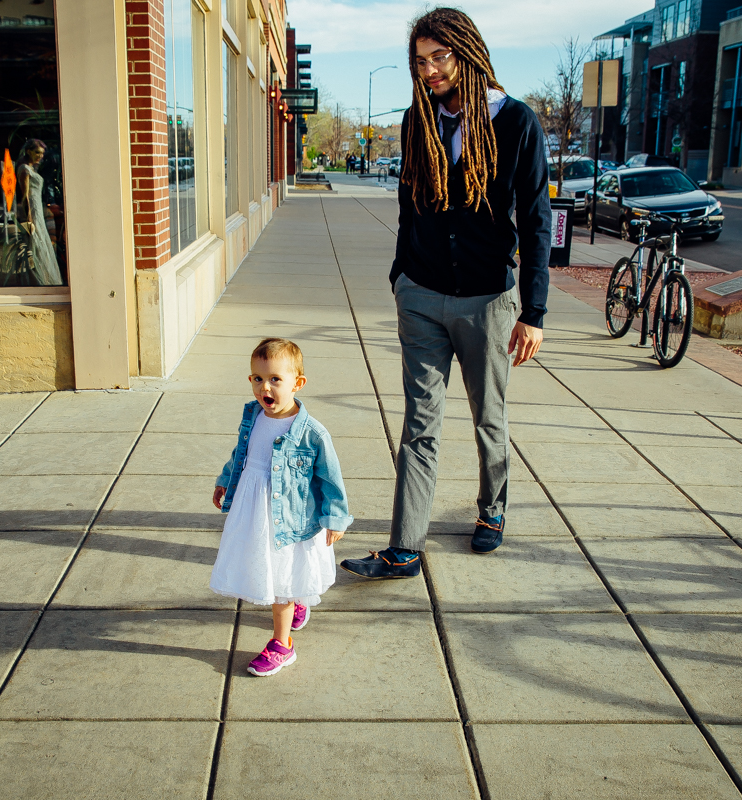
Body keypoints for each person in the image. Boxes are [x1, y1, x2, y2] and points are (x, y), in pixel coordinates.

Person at [341, 7, 549, 579]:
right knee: (419, 423)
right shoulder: (418, 120)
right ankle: (405, 545)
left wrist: (533, 311)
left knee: (489, 418)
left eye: (439, 57)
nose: (429, 70)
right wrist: (401, 275)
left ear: (467, 52)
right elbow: (410, 203)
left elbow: (535, 220)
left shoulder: (516, 123)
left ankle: (492, 512)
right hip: (423, 294)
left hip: (488, 301)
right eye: (420, 61)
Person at [210, 338, 353, 677]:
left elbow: (331, 478)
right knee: (276, 573)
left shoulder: (311, 433)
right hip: (255, 512)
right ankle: (295, 604)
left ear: (297, 383)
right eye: (258, 379)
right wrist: (224, 479)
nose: (265, 387)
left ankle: (282, 644)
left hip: (290, 518)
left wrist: (335, 517)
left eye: (275, 379)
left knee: (281, 581)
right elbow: (241, 455)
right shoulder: (253, 417)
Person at [15, 138, 64, 286]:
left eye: (42, 153)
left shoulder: (31, 169)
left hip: (38, 209)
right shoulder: (24, 169)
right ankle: (42, 279)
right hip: (33, 210)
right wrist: (29, 218)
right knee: (37, 241)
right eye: (37, 152)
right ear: (28, 151)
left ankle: (48, 278)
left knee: (43, 240)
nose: (40, 156)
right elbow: (25, 197)